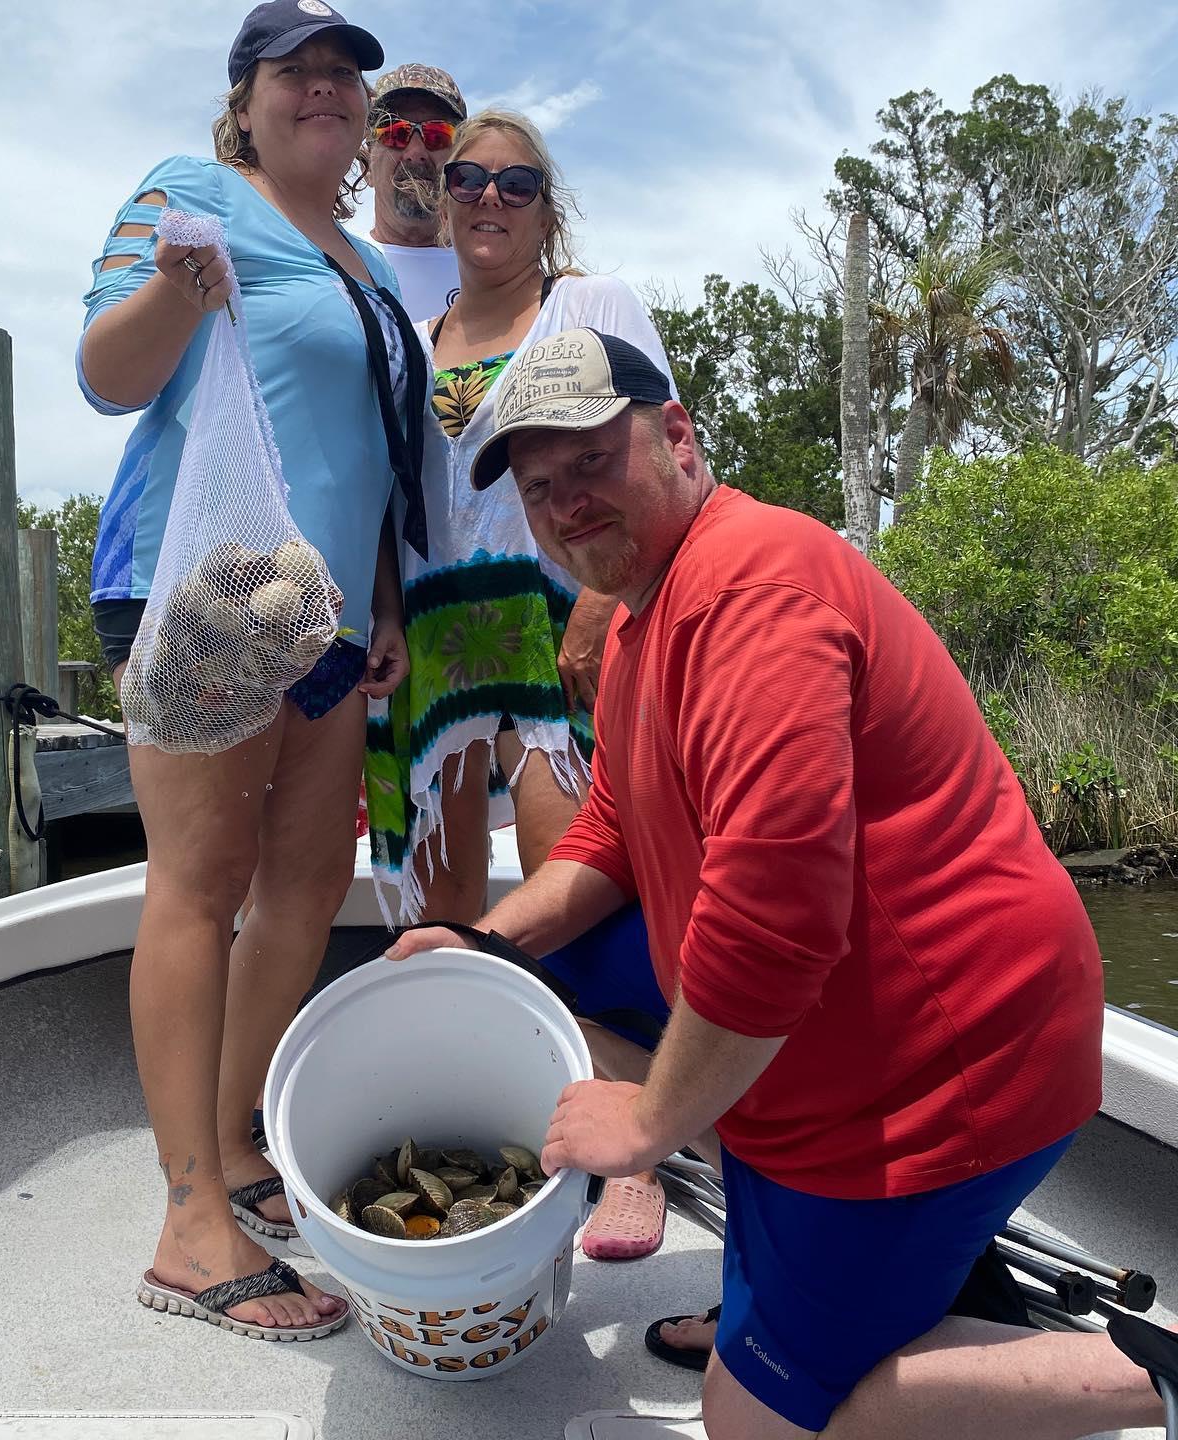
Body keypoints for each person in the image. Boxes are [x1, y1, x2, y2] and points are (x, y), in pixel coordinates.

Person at [387, 329, 1177, 1437]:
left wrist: (650, 1124)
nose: (567, 505)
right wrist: (483, 947)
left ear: (678, 437)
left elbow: (771, 928)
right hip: (828, 1037)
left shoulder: (753, 592)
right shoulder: (638, 625)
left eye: (593, 464)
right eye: (540, 489)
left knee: (746, 1420)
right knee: (531, 972)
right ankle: (799, 1261)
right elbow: (614, 826)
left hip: (942, 1071)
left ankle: (1153, 1374)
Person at [79, 0, 423, 1343]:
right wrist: (179, 283)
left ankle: (230, 1146)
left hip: (326, 611)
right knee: (203, 885)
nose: (327, 89)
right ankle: (185, 1226)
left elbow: (375, 450)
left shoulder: (375, 266)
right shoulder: (190, 195)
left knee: (306, 886)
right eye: (300, 71)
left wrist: (385, 598)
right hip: (206, 586)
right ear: (247, 97)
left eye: (347, 74)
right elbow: (108, 375)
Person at [366, 111, 673, 959]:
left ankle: (581, 1064)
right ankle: (461, 1068)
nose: (489, 195)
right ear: (447, 200)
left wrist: (600, 609)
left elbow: (666, 461)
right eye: (468, 179)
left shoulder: (588, 304)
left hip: (553, 625)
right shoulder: (411, 342)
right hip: (434, 635)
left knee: (569, 878)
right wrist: (386, 617)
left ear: (546, 211)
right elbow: (392, 505)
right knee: (440, 911)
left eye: (517, 183)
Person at [366, 63, 466, 321]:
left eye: (437, 135)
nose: (416, 154)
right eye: (395, 134)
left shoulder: (495, 273)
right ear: (367, 164)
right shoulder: (331, 265)